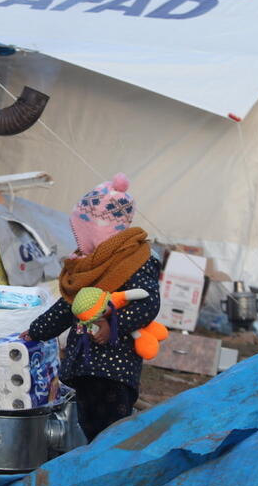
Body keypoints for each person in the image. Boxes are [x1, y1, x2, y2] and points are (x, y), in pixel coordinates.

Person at [23, 174, 160, 442]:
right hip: (83, 365)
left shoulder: (136, 259)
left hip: (115, 367)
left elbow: (147, 303)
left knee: (112, 430)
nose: (79, 238)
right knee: (86, 426)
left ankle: (111, 474)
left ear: (99, 230)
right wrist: (36, 331)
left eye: (82, 231)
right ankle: (90, 471)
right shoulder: (89, 263)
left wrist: (113, 325)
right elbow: (69, 306)